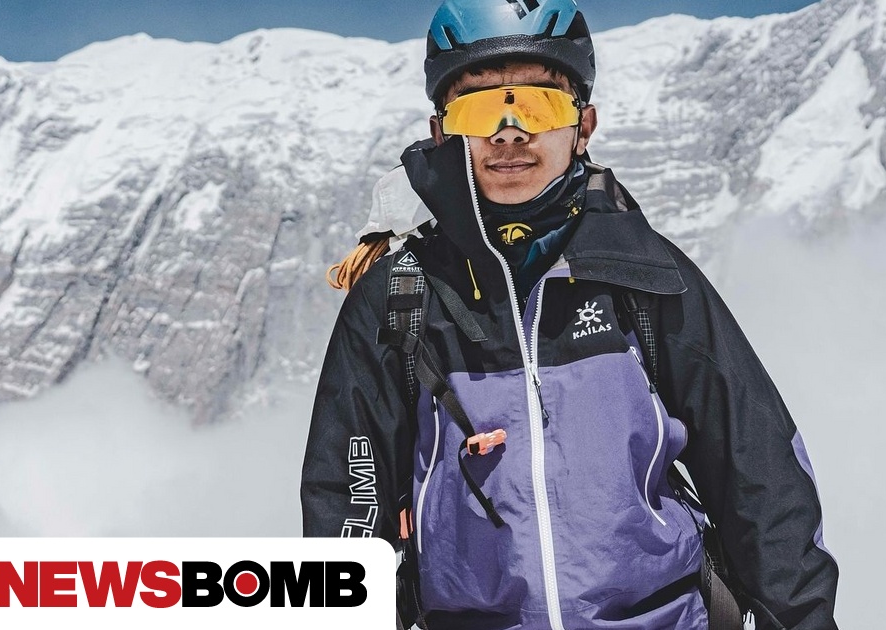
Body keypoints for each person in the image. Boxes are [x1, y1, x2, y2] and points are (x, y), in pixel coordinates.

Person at [301, 1, 840, 628]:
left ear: (583, 125)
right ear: (442, 132)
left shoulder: (644, 276)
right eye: (478, 109)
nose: (509, 133)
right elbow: (347, 502)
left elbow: (758, 470)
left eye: (538, 106)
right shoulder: (400, 295)